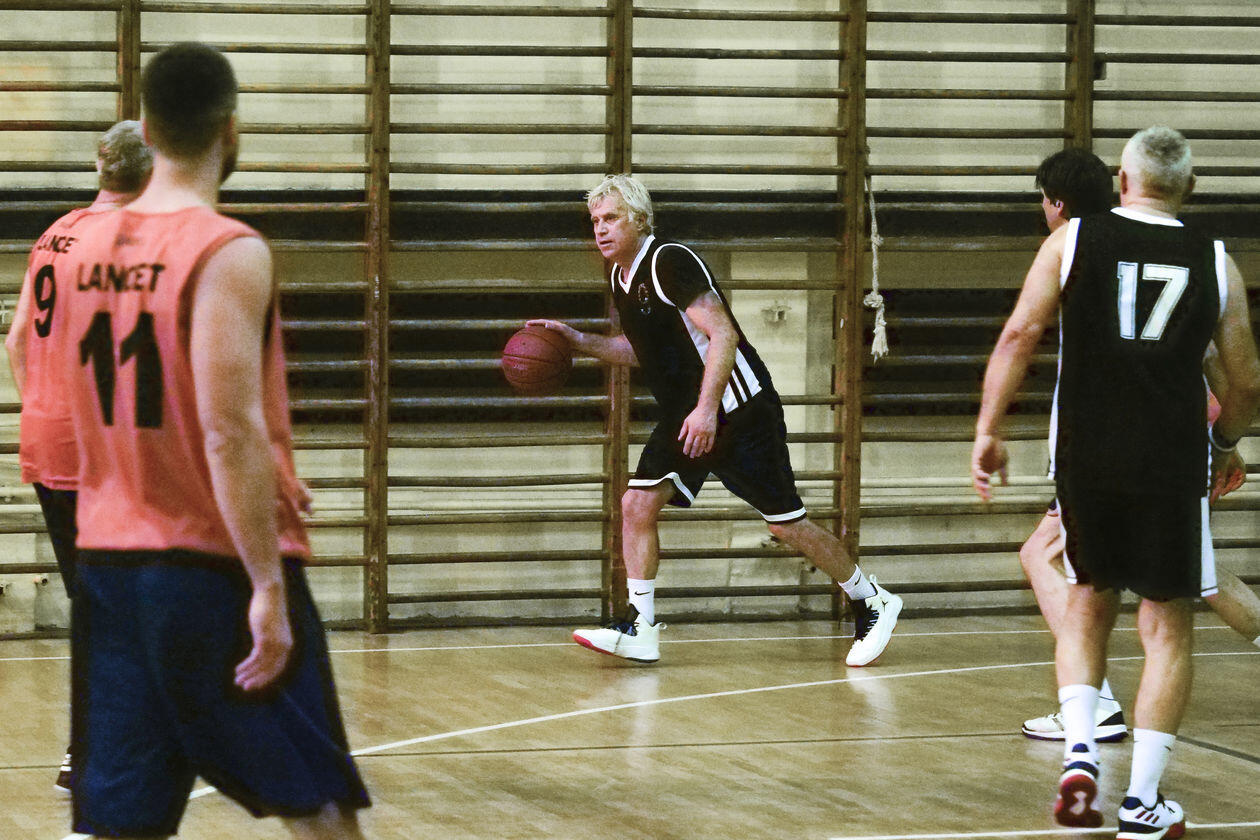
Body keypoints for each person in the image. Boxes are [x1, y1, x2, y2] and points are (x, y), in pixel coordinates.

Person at [51, 43, 370, 839]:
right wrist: (266, 583)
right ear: (231, 129)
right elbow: (227, 431)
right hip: (211, 563)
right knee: (319, 805)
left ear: (148, 128)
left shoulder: (78, 248)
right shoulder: (226, 249)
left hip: (109, 564)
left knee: (119, 822)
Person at [972, 127, 1260, 838]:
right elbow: (1246, 380)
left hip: (1087, 455)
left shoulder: (1072, 240)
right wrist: (1225, 442)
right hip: (1171, 461)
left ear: (1123, 180)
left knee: (1085, 604)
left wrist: (988, 429)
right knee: (1167, 629)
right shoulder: (1215, 259)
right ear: (1189, 188)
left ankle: (1080, 755)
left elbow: (1019, 335)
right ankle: (1143, 800)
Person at [529, 174, 902, 666]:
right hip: (689, 413)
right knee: (637, 504)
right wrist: (580, 342)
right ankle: (641, 626)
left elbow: (723, 334)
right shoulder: (621, 278)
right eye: (595, 220)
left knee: (786, 525)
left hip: (739, 410)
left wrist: (707, 409)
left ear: (639, 219)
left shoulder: (670, 261)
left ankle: (871, 599)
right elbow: (639, 352)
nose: (600, 229)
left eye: (611, 218)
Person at [5, 119, 153, 794]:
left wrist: (45, 407)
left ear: (101, 165)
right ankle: (93, 748)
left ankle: (112, 742)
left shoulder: (56, 232)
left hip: (48, 436)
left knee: (104, 598)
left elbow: (16, 341)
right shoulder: (130, 241)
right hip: (104, 445)